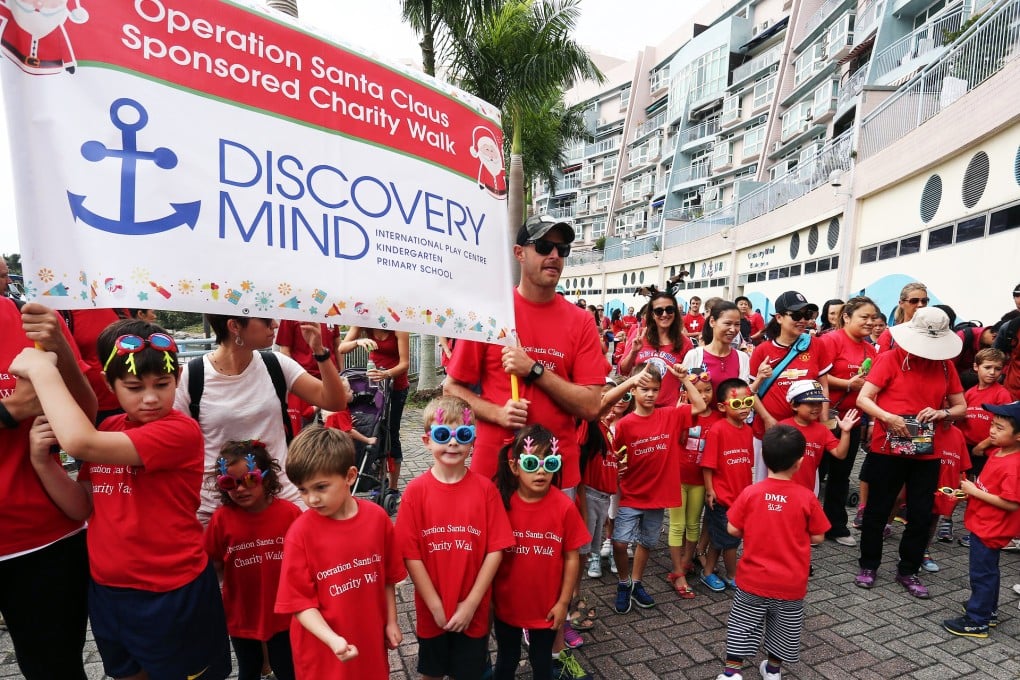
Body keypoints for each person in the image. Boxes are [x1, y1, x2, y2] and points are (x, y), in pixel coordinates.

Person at [15, 319, 231, 680]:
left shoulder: (179, 431)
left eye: (162, 385)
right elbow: (81, 506)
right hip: (109, 591)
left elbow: (80, 443)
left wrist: (42, 372)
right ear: (109, 385)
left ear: (176, 378)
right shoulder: (109, 429)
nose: (150, 397)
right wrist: (41, 462)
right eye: (133, 386)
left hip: (171, 592)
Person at [444, 215, 605, 493]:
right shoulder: (490, 314)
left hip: (555, 470)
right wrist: (497, 413)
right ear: (519, 253)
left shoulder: (581, 321)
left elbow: (591, 406)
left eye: (562, 249)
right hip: (498, 469)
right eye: (543, 246)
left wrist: (534, 370)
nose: (554, 255)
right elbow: (452, 388)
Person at [174, 314, 346, 522]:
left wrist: (320, 352)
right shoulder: (192, 376)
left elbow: (335, 402)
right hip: (216, 506)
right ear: (234, 326)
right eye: (265, 320)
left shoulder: (276, 365)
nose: (274, 324)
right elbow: (177, 445)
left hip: (281, 498)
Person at [1, 299, 94, 680]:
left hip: (41, 539)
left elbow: (85, 416)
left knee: (56, 669)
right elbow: (19, 407)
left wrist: (60, 350)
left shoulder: (30, 316)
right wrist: (8, 412)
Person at [395, 396, 515, 680]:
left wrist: (472, 603)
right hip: (431, 610)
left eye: (462, 434)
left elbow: (496, 550)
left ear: (473, 441)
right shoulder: (415, 492)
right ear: (427, 441)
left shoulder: (486, 491)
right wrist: (435, 604)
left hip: (473, 612)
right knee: (431, 673)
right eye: (442, 435)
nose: (452, 443)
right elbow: (411, 555)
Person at [275, 426, 405, 679]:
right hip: (322, 653)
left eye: (321, 487)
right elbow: (300, 604)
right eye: (302, 490)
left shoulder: (377, 519)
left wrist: (391, 621)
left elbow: (388, 577)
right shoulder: (300, 534)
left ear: (350, 475)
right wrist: (332, 639)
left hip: (368, 642)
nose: (311, 499)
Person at [854, 307, 966, 598]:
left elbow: (960, 407)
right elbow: (864, 399)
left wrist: (942, 412)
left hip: (927, 452)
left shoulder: (945, 367)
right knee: (878, 509)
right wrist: (888, 417)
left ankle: (908, 569)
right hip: (886, 447)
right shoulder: (889, 359)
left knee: (919, 513)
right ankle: (868, 565)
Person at [713, 425, 830, 680]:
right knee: (784, 629)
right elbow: (819, 536)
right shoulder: (806, 497)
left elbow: (733, 528)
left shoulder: (751, 493)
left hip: (753, 580)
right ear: (800, 462)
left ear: (763, 458)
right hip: (790, 583)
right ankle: (773, 670)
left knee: (742, 626)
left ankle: (732, 672)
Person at [491, 426, 590, 680]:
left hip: (547, 607)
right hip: (506, 605)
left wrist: (563, 603)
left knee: (542, 663)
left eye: (550, 462)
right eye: (532, 462)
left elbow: (571, 557)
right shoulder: (501, 503)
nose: (542, 470)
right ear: (514, 466)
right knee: (506, 661)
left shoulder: (564, 507)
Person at [612, 363, 707, 612]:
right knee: (620, 543)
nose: (650, 394)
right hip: (632, 494)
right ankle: (623, 582)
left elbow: (700, 406)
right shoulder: (625, 424)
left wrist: (685, 379)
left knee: (647, 542)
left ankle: (637, 583)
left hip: (657, 497)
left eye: (655, 389)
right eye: (644, 389)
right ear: (633, 390)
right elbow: (614, 455)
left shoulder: (669, 415)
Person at [205, 439, 301, 680]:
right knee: (249, 670)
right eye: (229, 483)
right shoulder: (221, 519)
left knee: (288, 669)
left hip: (284, 614)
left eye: (249, 479)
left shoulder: (289, 514)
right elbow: (213, 563)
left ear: (267, 478)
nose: (239, 489)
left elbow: (304, 562)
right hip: (242, 614)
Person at [942, 401, 1020, 638]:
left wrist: (976, 492)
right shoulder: (998, 452)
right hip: (982, 522)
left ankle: (977, 620)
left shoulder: (1015, 465)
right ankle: (988, 610)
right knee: (988, 571)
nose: (992, 431)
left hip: (992, 528)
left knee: (982, 574)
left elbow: (1011, 503)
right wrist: (969, 493)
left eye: (999, 428)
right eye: (992, 425)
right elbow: (991, 490)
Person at [749, 291, 831, 482]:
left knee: (805, 487)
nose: (803, 320)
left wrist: (824, 421)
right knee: (767, 488)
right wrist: (767, 419)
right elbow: (750, 392)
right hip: (770, 434)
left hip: (807, 433)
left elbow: (823, 386)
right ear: (779, 317)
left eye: (807, 315)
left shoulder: (816, 345)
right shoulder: (763, 350)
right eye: (796, 315)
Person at [818, 296, 878, 542]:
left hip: (852, 420)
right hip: (823, 417)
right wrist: (848, 384)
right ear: (846, 317)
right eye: (864, 317)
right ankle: (807, 524)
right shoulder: (830, 340)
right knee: (812, 473)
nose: (870, 322)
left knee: (842, 474)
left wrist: (871, 421)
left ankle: (836, 525)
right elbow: (819, 375)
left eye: (873, 317)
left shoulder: (870, 349)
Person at [337, 326, 409, 496]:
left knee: (391, 433)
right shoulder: (363, 323)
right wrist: (358, 341)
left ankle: (393, 486)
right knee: (377, 430)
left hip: (396, 386)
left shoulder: (399, 328)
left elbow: (405, 363)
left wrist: (387, 374)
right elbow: (342, 348)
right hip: (374, 386)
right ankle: (378, 477)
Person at [700, 378, 756, 592]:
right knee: (731, 542)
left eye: (747, 401)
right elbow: (708, 465)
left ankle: (708, 573)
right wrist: (710, 490)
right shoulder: (718, 430)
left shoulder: (748, 431)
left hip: (740, 498)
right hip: (722, 499)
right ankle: (733, 575)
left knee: (719, 539)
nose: (743, 407)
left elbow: (747, 463)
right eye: (736, 403)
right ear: (723, 406)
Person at [671, 368, 719, 597]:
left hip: (700, 481)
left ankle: (688, 559)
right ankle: (677, 571)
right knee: (676, 525)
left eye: (707, 390)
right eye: (697, 391)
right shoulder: (683, 413)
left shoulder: (719, 417)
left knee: (693, 524)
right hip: (678, 478)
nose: (703, 395)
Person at [778, 380, 858, 495]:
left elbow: (840, 454)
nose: (816, 407)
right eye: (811, 403)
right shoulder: (782, 428)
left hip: (808, 490)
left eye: (819, 403)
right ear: (794, 405)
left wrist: (846, 432)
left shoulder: (822, 430)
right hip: (782, 490)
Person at [619, 290, 694, 407]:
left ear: (675, 312)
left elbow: (690, 379)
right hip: (639, 410)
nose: (664, 314)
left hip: (669, 411)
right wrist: (634, 351)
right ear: (652, 315)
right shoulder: (639, 335)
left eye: (669, 309)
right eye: (659, 311)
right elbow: (623, 370)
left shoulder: (685, 343)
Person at [683, 301, 754, 402]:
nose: (733, 329)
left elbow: (743, 395)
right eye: (727, 323)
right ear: (712, 322)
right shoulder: (694, 356)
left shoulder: (743, 358)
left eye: (737, 324)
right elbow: (685, 395)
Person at [923, 422, 970, 572]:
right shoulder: (925, 429)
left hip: (943, 487)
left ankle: (924, 551)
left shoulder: (957, 433)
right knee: (916, 518)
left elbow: (961, 467)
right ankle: (909, 552)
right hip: (920, 483)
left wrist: (960, 486)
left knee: (933, 518)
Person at [959, 348, 1011, 480]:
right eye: (987, 367)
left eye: (998, 369)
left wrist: (982, 446)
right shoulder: (970, 393)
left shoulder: (1002, 394)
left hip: (987, 450)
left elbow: (1006, 426)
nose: (992, 372)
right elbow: (962, 421)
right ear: (976, 366)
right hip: (967, 448)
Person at [876, 281, 929, 352]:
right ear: (901, 303)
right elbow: (879, 361)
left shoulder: (933, 333)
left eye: (924, 301)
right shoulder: (890, 335)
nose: (920, 305)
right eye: (914, 301)